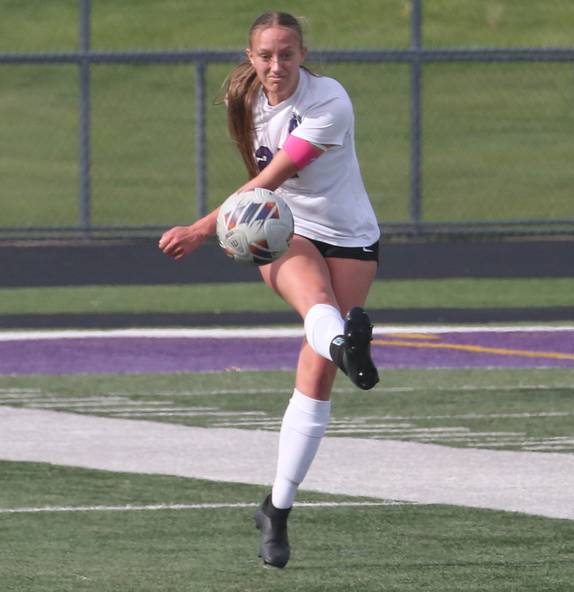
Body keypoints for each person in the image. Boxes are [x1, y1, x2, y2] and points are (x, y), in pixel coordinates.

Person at [158, 10, 381, 569]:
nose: (275, 65)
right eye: (265, 55)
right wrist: (234, 228)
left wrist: (200, 228)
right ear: (250, 57)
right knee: (319, 305)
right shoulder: (246, 97)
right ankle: (346, 346)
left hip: (351, 235)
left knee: (315, 375)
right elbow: (264, 193)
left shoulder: (329, 102)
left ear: (303, 54)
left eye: (286, 53)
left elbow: (268, 177)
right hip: (284, 229)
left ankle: (276, 508)